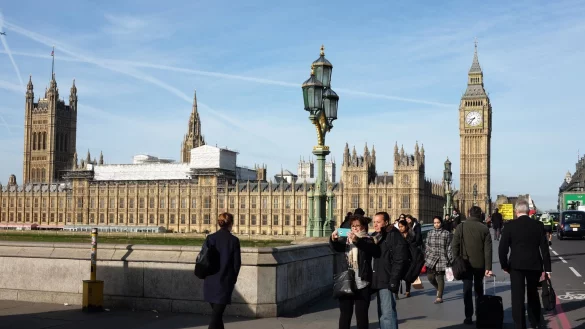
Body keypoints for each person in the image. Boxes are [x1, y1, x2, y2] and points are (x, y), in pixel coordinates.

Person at [499, 200, 552, 329]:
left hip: (516, 266)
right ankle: (534, 323)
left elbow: (502, 249)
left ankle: (520, 325)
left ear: (516, 212)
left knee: (517, 297)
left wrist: (505, 265)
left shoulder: (509, 226)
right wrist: (548, 270)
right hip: (534, 265)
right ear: (528, 211)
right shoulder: (538, 225)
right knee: (533, 294)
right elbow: (544, 249)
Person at [355, 211, 408, 329]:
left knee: (387, 314)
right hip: (378, 279)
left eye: (378, 222)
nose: (375, 224)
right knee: (382, 313)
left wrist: (394, 280)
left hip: (387, 279)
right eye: (374, 222)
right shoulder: (376, 236)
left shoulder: (393, 235)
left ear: (386, 222)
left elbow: (400, 259)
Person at [330, 215, 374, 329]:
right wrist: (333, 240)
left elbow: (370, 249)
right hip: (346, 280)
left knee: (362, 315)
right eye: (353, 226)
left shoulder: (368, 239)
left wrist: (357, 240)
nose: (354, 228)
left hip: (362, 282)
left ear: (364, 227)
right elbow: (336, 248)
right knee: (345, 314)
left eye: (357, 226)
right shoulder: (345, 240)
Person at [452, 206, 493, 325]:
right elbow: (488, 250)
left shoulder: (461, 226)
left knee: (467, 290)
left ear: (469, 213)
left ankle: (468, 316)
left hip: (465, 264)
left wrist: (456, 260)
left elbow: (454, 245)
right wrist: (488, 268)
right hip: (480, 265)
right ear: (480, 215)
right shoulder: (484, 229)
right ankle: (480, 314)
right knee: (479, 290)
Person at [203, 212, 241, 329]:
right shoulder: (234, 240)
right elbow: (237, 264)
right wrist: (232, 280)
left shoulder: (210, 238)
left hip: (210, 282)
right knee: (216, 317)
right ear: (231, 224)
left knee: (217, 316)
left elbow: (203, 259)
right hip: (224, 282)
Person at [425, 216, 453, 304]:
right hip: (431, 257)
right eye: (435, 223)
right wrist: (428, 254)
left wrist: (449, 258)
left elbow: (449, 247)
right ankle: (439, 289)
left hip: (442, 258)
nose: (436, 224)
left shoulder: (446, 233)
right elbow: (427, 245)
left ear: (441, 223)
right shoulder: (430, 233)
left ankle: (439, 297)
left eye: (438, 222)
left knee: (440, 277)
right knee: (430, 277)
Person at [397, 219, 414, 298]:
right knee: (397, 276)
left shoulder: (410, 234)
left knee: (408, 275)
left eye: (402, 226)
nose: (400, 228)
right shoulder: (397, 235)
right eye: (399, 227)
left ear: (406, 226)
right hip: (399, 257)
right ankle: (396, 292)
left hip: (408, 257)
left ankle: (408, 291)